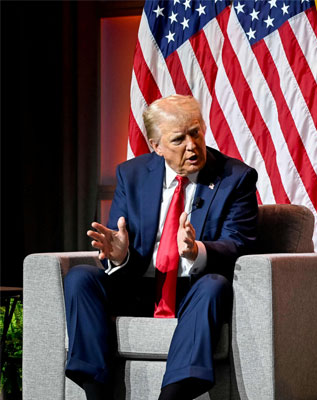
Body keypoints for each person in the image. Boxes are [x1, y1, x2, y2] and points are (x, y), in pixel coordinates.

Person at [63, 95, 258, 400]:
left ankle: (173, 395)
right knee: (80, 279)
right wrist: (120, 255)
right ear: (156, 146)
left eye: (196, 132)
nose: (192, 146)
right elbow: (119, 236)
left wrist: (198, 251)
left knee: (213, 285)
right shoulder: (133, 174)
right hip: (138, 286)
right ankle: (96, 393)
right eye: (178, 139)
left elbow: (239, 243)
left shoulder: (235, 178)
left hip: (193, 292)